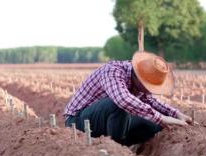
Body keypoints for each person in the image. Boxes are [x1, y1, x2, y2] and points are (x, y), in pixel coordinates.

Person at [64, 51, 192, 147]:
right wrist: (162, 118)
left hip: (107, 121)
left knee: (154, 124)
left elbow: (151, 102)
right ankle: (115, 150)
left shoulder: (138, 84)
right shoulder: (112, 71)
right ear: (138, 77)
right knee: (119, 105)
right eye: (147, 86)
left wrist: (176, 114)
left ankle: (123, 146)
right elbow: (123, 100)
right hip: (78, 121)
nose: (149, 91)